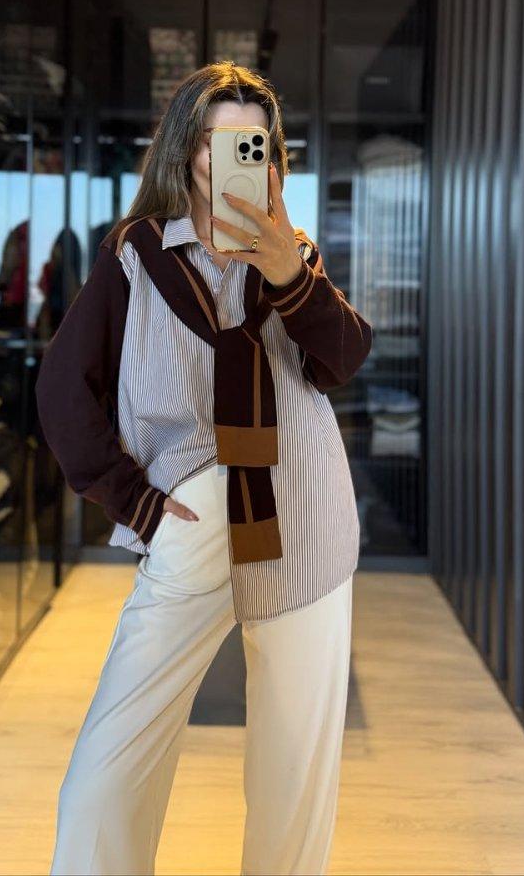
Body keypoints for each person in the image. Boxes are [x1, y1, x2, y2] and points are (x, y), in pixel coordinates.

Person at [35, 61, 373, 875]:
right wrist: (135, 502)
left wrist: (289, 274)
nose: (233, 161)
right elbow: (62, 389)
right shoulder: (136, 255)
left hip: (303, 521)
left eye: (254, 143)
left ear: (273, 157)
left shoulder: (293, 255)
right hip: (190, 528)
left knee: (293, 782)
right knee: (108, 770)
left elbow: (343, 358)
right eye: (219, 143)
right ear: (186, 151)